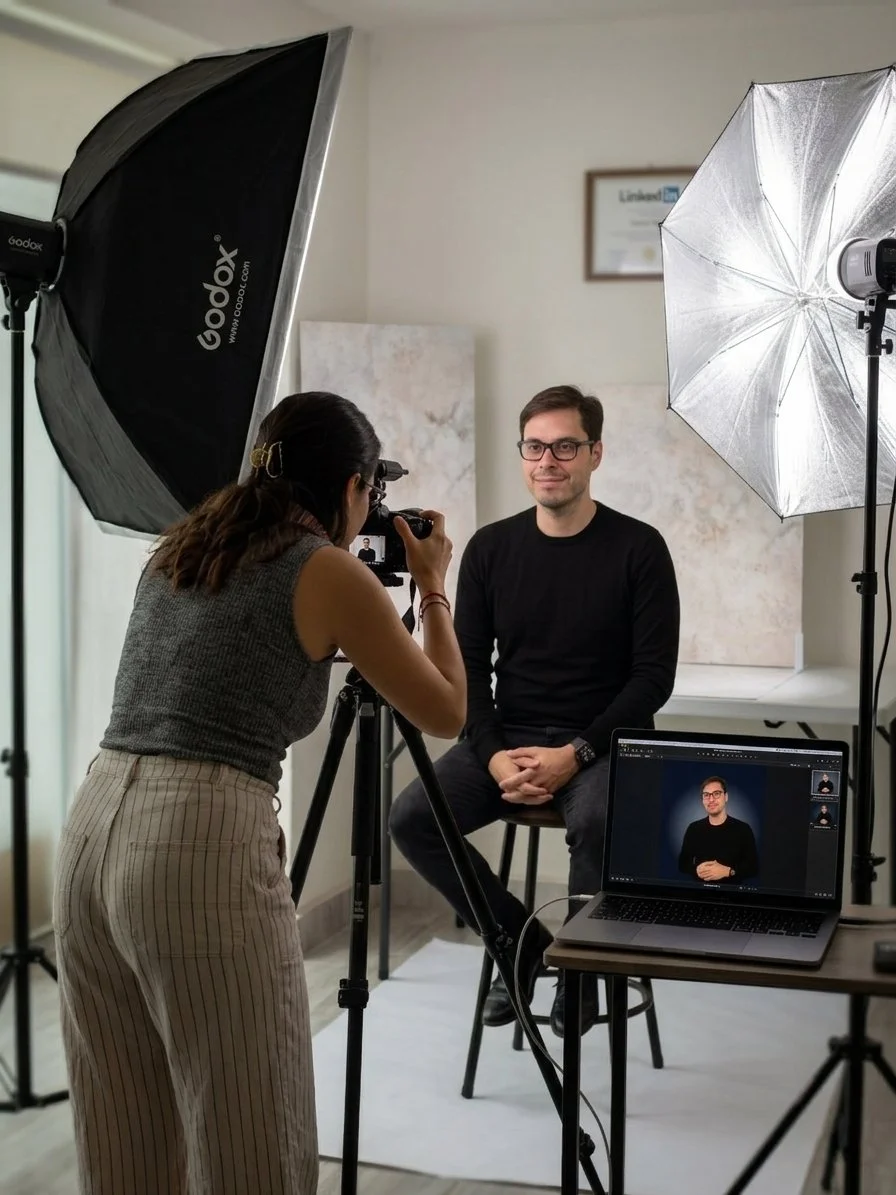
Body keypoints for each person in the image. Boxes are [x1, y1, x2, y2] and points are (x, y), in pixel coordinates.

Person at [53, 392, 466, 1195]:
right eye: (370, 495)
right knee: (253, 1144)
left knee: (125, 1143)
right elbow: (447, 708)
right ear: (352, 488)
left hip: (92, 827)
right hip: (193, 839)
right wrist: (432, 585)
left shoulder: (181, 549)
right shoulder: (325, 568)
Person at [390, 384, 679, 1038]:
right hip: (508, 736)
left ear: (594, 453)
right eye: (535, 446)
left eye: (565, 446)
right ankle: (517, 940)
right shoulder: (491, 550)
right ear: (523, 454)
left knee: (601, 822)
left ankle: (580, 980)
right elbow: (464, 671)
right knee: (412, 816)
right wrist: (492, 755)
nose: (549, 460)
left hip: (605, 743)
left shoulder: (640, 549)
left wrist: (573, 753)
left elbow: (653, 679)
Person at [678, 776, 759, 882]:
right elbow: (682, 864)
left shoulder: (743, 829)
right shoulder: (693, 828)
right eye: (706, 795)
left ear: (726, 797)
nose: (711, 799)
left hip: (732, 895)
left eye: (716, 793)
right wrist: (696, 869)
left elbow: (753, 869)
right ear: (702, 800)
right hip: (700, 894)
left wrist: (728, 871)